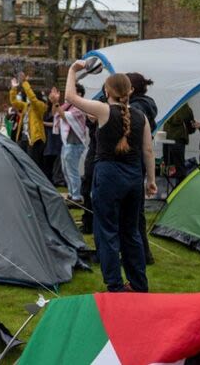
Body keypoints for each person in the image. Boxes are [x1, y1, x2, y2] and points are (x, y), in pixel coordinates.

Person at [65, 62, 156, 292]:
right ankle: (138, 284)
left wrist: (73, 71)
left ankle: (115, 284)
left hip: (108, 176)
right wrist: (151, 180)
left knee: (106, 231)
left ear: (107, 92)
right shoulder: (141, 117)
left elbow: (69, 96)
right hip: (134, 177)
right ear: (131, 92)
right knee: (131, 231)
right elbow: (148, 151)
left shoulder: (104, 110)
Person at [126, 73, 158, 266]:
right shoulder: (146, 104)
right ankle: (143, 254)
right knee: (136, 213)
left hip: (133, 163)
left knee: (134, 213)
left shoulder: (136, 108)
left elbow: (141, 144)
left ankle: (142, 254)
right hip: (137, 164)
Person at [10, 73, 49, 176]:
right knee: (22, 162)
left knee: (33, 164)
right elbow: (14, 102)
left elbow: (33, 99)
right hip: (23, 138)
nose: (27, 98)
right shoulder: (26, 106)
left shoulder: (41, 106)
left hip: (35, 139)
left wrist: (25, 83)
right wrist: (14, 89)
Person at [58, 83, 90, 202]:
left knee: (72, 170)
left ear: (79, 94)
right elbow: (57, 112)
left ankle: (76, 196)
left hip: (75, 143)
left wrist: (56, 102)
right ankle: (71, 193)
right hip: (67, 142)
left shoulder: (79, 107)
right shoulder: (69, 106)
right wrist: (55, 102)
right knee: (66, 170)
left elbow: (63, 116)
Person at [162, 103, 195, 181]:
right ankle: (178, 186)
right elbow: (191, 125)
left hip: (171, 139)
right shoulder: (185, 108)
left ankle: (174, 186)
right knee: (177, 166)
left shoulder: (171, 106)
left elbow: (172, 120)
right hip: (175, 139)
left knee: (172, 165)